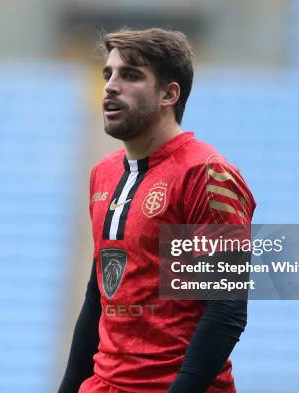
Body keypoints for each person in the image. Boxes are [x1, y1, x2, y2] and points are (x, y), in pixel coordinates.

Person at [58, 28, 256, 393]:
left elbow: (226, 307)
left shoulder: (206, 174)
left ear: (169, 94)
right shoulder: (104, 173)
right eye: (108, 74)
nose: (111, 86)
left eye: (130, 75)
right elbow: (97, 296)